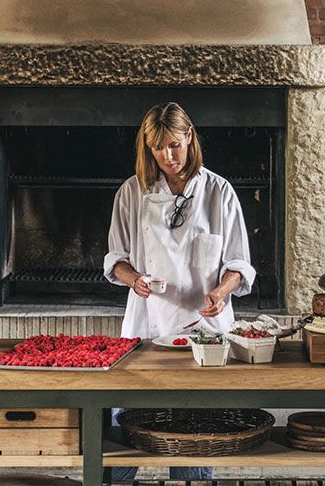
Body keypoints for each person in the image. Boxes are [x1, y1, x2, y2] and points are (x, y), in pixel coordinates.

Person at [103, 102, 256, 480]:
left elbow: (238, 264)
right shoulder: (132, 192)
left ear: (189, 137)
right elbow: (115, 260)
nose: (167, 157)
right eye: (157, 148)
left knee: (196, 423)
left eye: (174, 144)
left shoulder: (219, 192)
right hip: (147, 324)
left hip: (203, 329)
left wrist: (220, 292)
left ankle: (193, 480)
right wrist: (134, 279)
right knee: (128, 417)